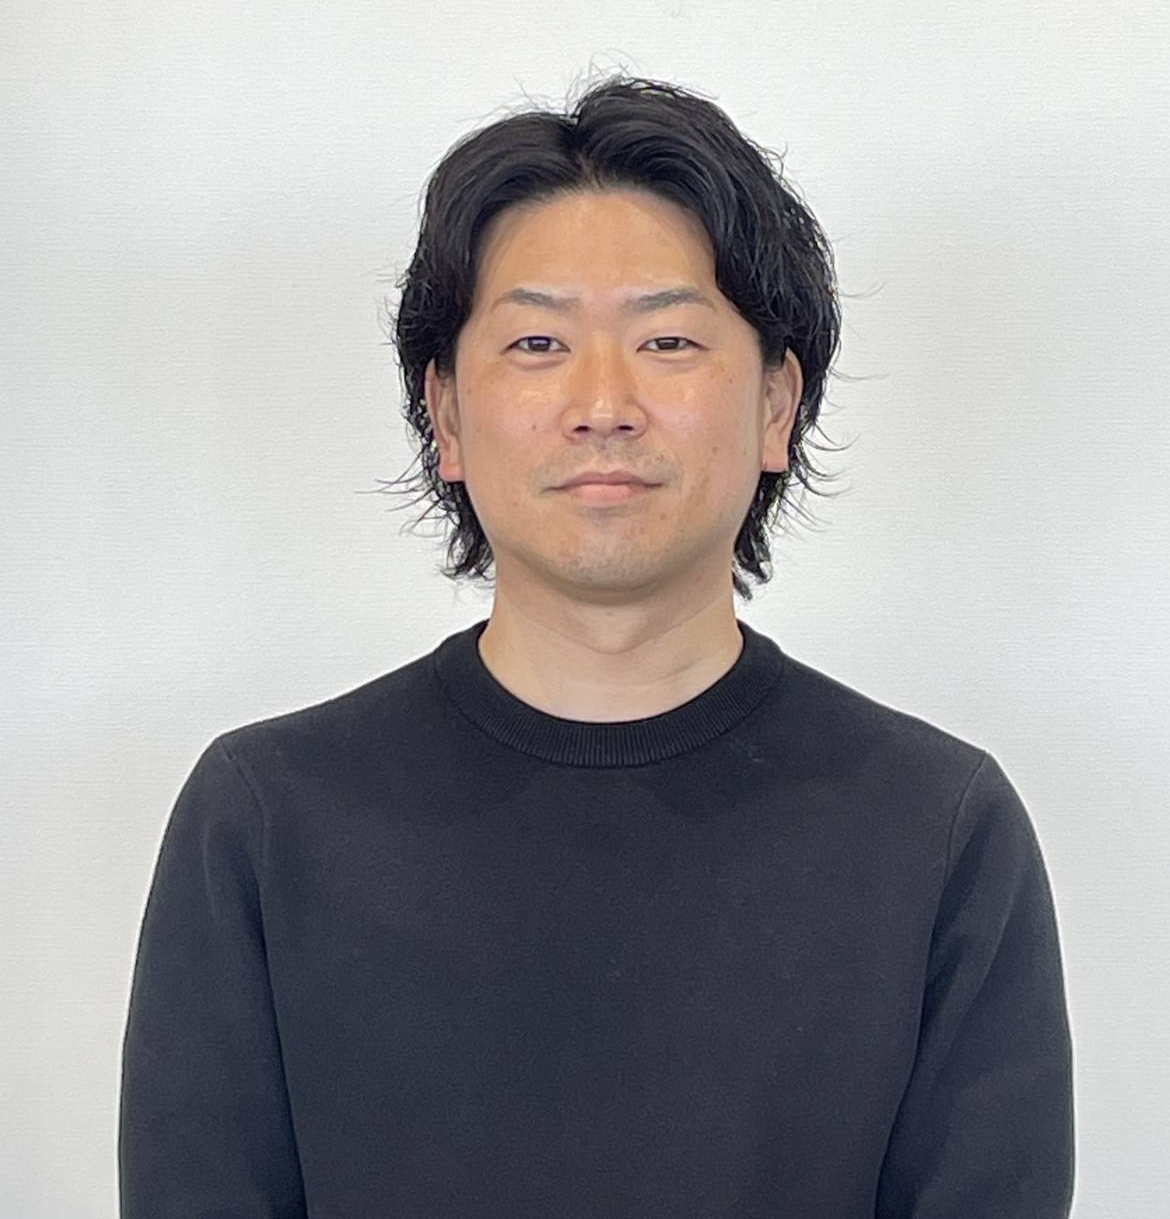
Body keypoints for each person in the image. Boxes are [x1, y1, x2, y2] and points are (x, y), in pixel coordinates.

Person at [118, 74, 1075, 1217]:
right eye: (538, 342)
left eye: (668, 339)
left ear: (777, 407)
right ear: (446, 415)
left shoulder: (937, 830)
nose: (604, 403)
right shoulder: (269, 819)